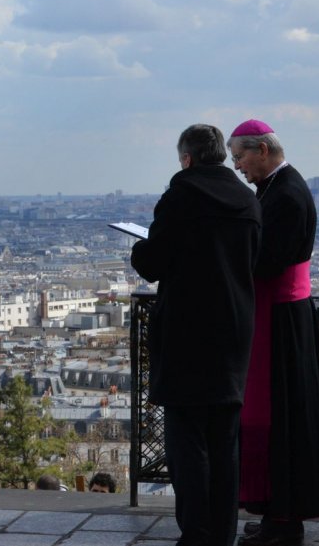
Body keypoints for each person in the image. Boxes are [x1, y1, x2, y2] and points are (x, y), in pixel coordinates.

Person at [131, 124, 261, 546]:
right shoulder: (247, 199)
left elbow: (153, 262)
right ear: (222, 155)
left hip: (187, 331)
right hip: (234, 329)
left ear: (186, 159)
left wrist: (139, 249)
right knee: (225, 441)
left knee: (187, 440)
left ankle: (197, 533)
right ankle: (223, 532)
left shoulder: (181, 197)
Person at [228, 120, 319, 546]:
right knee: (279, 416)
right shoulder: (281, 188)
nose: (238, 166)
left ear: (262, 149)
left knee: (278, 417)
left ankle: (283, 520)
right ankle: (275, 512)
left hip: (280, 318)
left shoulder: (286, 194)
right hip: (282, 314)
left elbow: (266, 259)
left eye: (240, 156)